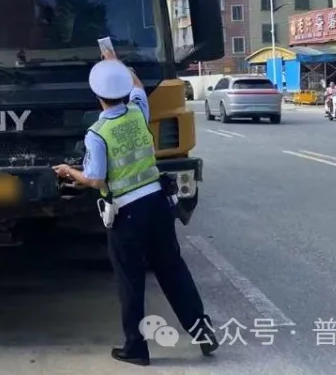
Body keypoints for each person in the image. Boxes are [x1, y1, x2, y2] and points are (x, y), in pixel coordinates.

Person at [53, 58, 219, 366]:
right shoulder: (138, 111)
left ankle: (136, 348)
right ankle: (201, 328)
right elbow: (139, 87)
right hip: (157, 204)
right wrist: (116, 64)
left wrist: (68, 172)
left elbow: (95, 179)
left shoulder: (98, 133)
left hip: (126, 214)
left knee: (130, 282)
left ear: (96, 94)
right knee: (172, 269)